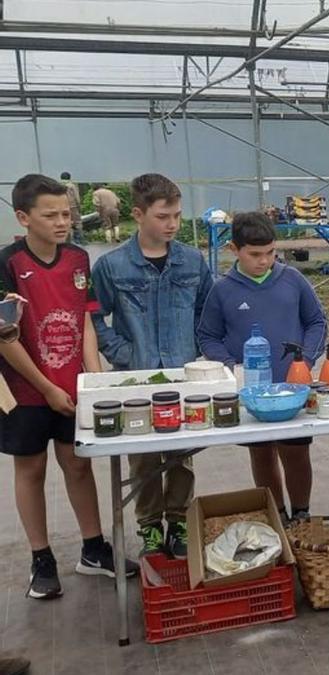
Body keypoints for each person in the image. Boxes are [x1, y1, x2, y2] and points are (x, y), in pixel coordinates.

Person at [0, 174, 138, 600]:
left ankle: (93, 548)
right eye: (51, 215)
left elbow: (83, 320)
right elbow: (5, 335)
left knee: (78, 464)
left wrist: (91, 378)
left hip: (71, 384)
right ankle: (42, 560)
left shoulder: (78, 259)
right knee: (31, 469)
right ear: (23, 217)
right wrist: (45, 388)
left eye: (66, 213)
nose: (62, 222)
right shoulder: (7, 263)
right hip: (24, 390)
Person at [91, 173, 213, 557]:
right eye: (163, 216)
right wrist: (121, 352)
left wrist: (197, 349)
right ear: (138, 214)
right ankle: (149, 528)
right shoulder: (112, 267)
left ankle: (177, 521)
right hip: (136, 376)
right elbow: (94, 317)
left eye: (176, 215)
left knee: (181, 454)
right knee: (142, 458)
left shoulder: (192, 261)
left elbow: (207, 311)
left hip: (183, 374)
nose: (173, 224)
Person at [198, 212, 327, 522]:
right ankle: (276, 514)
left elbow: (317, 321)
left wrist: (306, 360)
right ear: (234, 249)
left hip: (293, 389)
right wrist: (231, 366)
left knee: (296, 452)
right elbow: (207, 336)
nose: (264, 261)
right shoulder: (222, 290)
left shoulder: (293, 280)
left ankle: (301, 514)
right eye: (255, 254)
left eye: (270, 252)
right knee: (262, 453)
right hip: (251, 393)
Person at [59, 172, 83, 245]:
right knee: (77, 223)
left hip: (61, 207)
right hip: (72, 206)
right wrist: (79, 207)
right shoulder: (71, 186)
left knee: (65, 223)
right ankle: (79, 241)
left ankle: (66, 241)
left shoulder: (58, 185)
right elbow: (76, 197)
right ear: (69, 178)